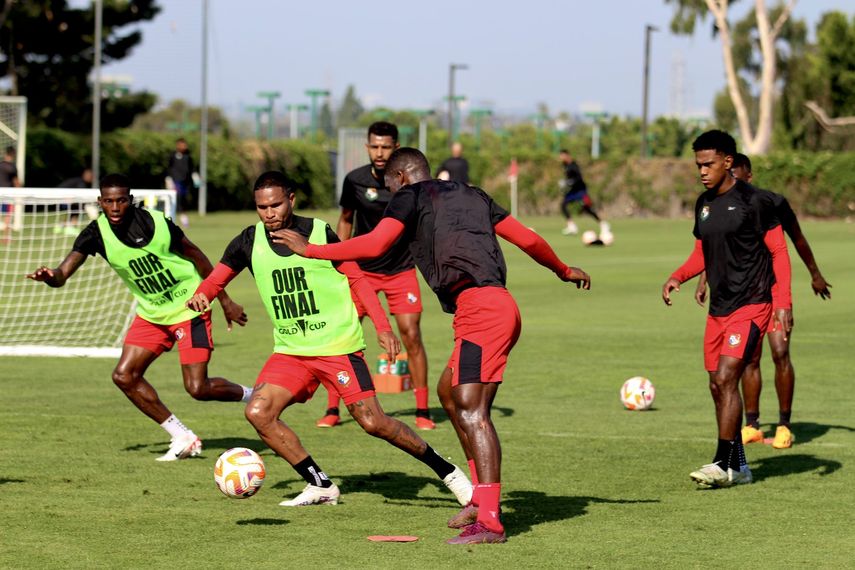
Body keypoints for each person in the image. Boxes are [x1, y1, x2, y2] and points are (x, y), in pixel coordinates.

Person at [274, 149, 590, 544]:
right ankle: (478, 499)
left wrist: (313, 250)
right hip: (486, 307)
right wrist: (562, 269)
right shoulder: (475, 194)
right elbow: (527, 238)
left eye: (389, 188)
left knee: (473, 410)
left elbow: (374, 245)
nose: (390, 198)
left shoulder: (410, 195)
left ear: (402, 178)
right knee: (449, 394)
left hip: (483, 311)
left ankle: (490, 520)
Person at [185, 170, 472, 509]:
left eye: (276, 205)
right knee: (259, 412)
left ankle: (449, 472)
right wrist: (202, 295)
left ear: (291, 199)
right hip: (292, 351)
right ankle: (320, 485)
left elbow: (358, 281)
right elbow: (216, 280)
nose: (269, 213)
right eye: (261, 207)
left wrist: (382, 327)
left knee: (373, 422)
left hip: (338, 348)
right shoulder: (248, 241)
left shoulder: (320, 233)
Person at [26, 174, 253, 461]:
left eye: (121, 200)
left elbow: (197, 256)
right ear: (100, 202)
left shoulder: (156, 223)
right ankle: (182, 436)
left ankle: (252, 395)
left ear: (130, 200)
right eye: (108, 201)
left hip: (189, 308)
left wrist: (224, 300)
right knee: (124, 376)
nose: (116, 207)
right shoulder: (96, 233)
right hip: (152, 315)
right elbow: (62, 275)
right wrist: (50, 277)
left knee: (198, 388)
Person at [662, 131, 792, 489]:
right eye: (698, 165)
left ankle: (721, 462)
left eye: (708, 164)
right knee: (716, 386)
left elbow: (779, 251)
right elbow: (701, 252)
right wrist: (679, 276)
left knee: (726, 376)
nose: (702, 171)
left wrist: (783, 303)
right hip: (718, 309)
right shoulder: (703, 203)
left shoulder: (755, 201)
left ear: (728, 162)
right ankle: (739, 466)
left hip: (752, 304)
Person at [694, 152, 831, 449]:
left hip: (772, 293)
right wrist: (704, 280)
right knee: (748, 361)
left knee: (780, 352)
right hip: (743, 298)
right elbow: (718, 248)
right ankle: (752, 425)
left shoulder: (770, 203)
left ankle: (784, 424)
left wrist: (815, 274)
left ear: (748, 177)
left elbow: (796, 239)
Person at [318, 121, 434, 430]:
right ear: (367, 147)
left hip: (401, 270)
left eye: (386, 147)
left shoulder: (407, 181)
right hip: (363, 272)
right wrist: (339, 263)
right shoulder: (354, 180)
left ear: (396, 148)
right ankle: (333, 408)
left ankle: (422, 411)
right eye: (374, 146)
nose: (379, 153)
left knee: (411, 334)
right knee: (343, 337)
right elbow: (344, 221)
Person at [558, 149, 609, 237]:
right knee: (563, 205)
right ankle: (571, 226)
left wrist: (569, 182)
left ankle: (603, 224)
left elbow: (579, 178)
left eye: (562, 155)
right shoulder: (565, 165)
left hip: (580, 190)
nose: (561, 157)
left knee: (586, 208)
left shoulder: (574, 165)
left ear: (567, 155)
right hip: (572, 191)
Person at [166, 138, 195, 227]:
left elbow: (192, 169)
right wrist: (168, 179)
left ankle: (184, 219)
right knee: (176, 200)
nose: (184, 146)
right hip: (175, 182)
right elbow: (169, 168)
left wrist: (195, 177)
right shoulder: (173, 155)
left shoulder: (188, 156)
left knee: (183, 200)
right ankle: (172, 219)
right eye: (182, 144)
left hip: (185, 182)